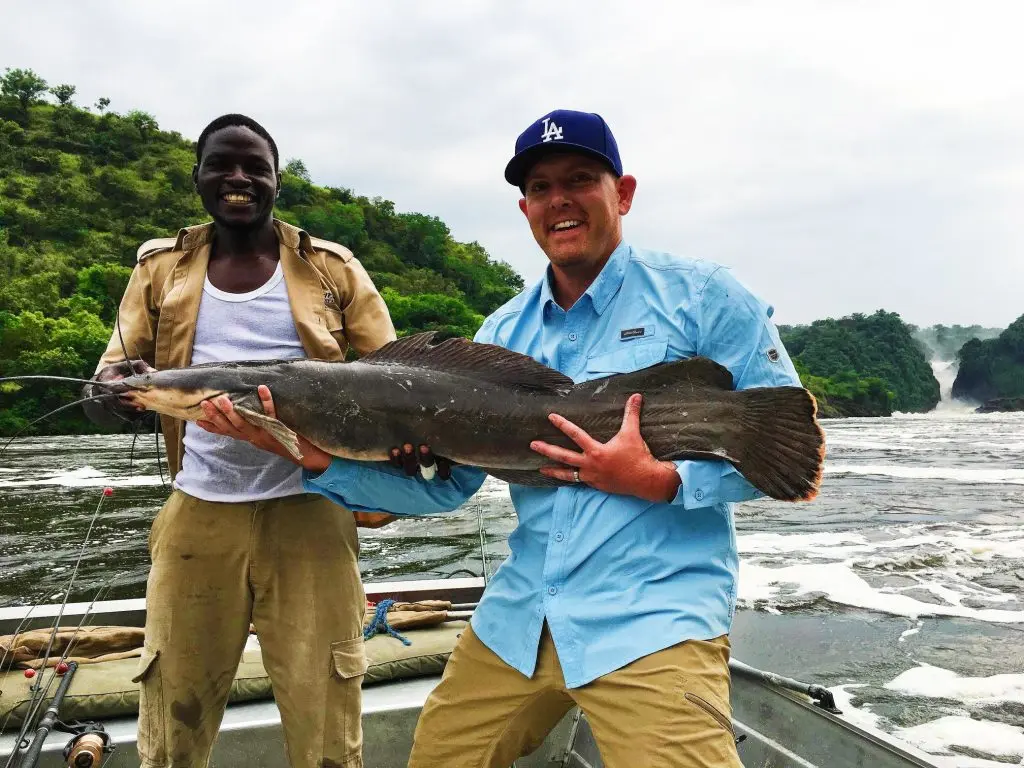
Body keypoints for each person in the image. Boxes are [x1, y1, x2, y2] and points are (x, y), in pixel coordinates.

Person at [202, 109, 803, 767]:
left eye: (580, 180)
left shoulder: (704, 296)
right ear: (526, 209)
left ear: (623, 193)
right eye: (541, 188)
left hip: (653, 620)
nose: (559, 200)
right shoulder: (500, 335)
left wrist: (658, 481)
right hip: (523, 615)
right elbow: (448, 489)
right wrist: (319, 460)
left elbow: (785, 449)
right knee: (437, 757)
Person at [83, 113, 395, 768]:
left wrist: (395, 474)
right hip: (198, 512)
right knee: (174, 709)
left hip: (313, 507)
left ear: (278, 180)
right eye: (221, 164)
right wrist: (112, 394)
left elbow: (393, 380)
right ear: (197, 176)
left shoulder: (333, 269)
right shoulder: (158, 269)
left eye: (256, 167)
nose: (238, 178)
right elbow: (106, 381)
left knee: (326, 721)